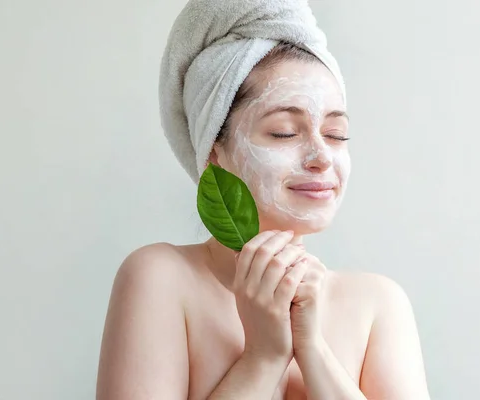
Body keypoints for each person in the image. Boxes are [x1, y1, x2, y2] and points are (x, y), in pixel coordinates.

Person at [96, 2, 430, 399]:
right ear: (214, 151)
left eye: (337, 133)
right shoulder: (161, 278)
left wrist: (312, 350)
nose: (322, 157)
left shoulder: (378, 304)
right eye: (285, 132)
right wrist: (264, 356)